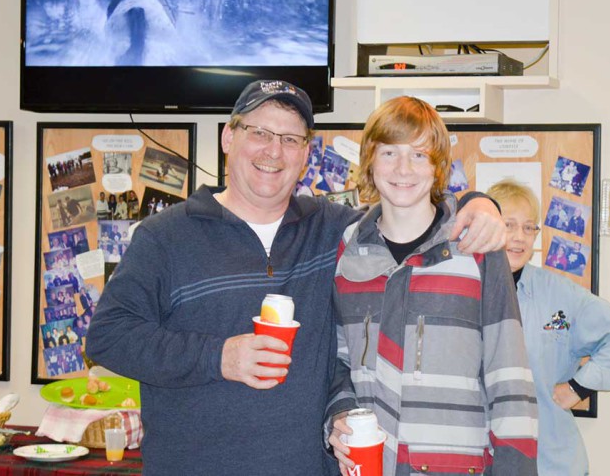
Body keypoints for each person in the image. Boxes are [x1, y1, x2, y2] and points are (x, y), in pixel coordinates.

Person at [86, 79, 507, 475]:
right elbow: (108, 337)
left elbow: (408, 209)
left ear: (306, 154)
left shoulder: (337, 231)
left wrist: (479, 203)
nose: (274, 151)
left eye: (291, 140)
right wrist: (219, 357)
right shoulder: (165, 236)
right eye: (259, 133)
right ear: (229, 138)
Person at [327, 97, 538, 476]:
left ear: (438, 166)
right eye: (389, 153)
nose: (403, 168)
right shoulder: (349, 251)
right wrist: (340, 412)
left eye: (419, 155)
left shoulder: (477, 247)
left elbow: (509, 379)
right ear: (369, 162)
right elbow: (339, 360)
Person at [486, 179, 610, 476]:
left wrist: (578, 387)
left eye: (528, 227)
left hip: (551, 463)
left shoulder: (558, 294)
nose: (519, 237)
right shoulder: (464, 293)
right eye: (509, 225)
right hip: (483, 461)